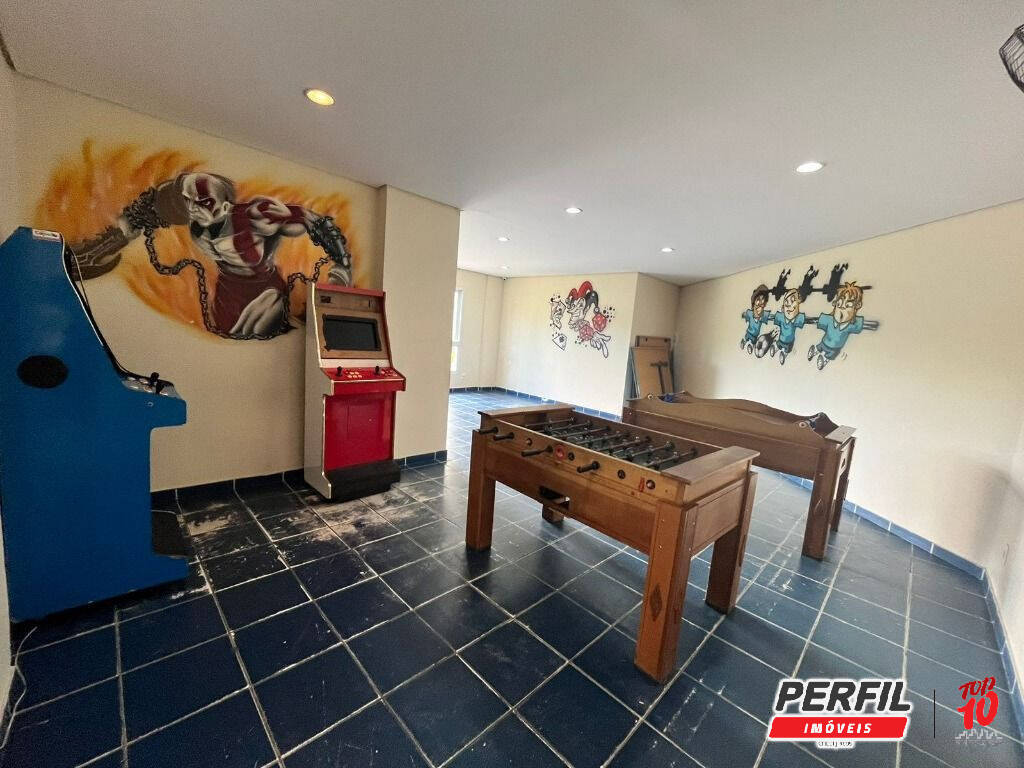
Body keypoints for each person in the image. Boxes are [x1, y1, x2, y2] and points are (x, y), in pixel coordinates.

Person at [70, 171, 351, 338]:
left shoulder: (256, 216)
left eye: (203, 201)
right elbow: (144, 210)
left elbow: (315, 221)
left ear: (225, 206)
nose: (193, 207)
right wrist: (103, 249)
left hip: (263, 292)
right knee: (227, 334)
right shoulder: (194, 220)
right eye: (188, 200)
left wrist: (342, 267)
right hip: (227, 290)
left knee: (253, 332)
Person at [807, 282, 879, 369]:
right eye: (839, 304)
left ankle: (824, 359)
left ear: (857, 306)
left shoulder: (851, 324)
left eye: (848, 305)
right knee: (819, 347)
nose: (841, 309)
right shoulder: (829, 320)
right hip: (824, 342)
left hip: (835, 349)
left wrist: (874, 325)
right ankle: (815, 350)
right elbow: (814, 320)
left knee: (830, 355)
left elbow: (866, 324)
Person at [740, 284, 770, 353]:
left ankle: (750, 346)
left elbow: (770, 317)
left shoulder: (763, 315)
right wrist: (743, 314)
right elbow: (744, 315)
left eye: (763, 299)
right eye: (758, 299)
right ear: (754, 302)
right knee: (746, 338)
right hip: (749, 332)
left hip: (755, 335)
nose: (760, 302)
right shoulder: (750, 313)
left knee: (753, 343)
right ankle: (744, 342)